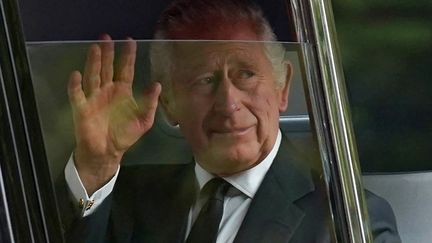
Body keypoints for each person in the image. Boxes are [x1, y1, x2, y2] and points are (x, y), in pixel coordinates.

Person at [57, 0, 401, 242]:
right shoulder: (127, 199)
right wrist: (97, 165)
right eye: (204, 80)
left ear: (282, 87)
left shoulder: (348, 220)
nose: (228, 103)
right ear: (169, 105)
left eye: (246, 74)